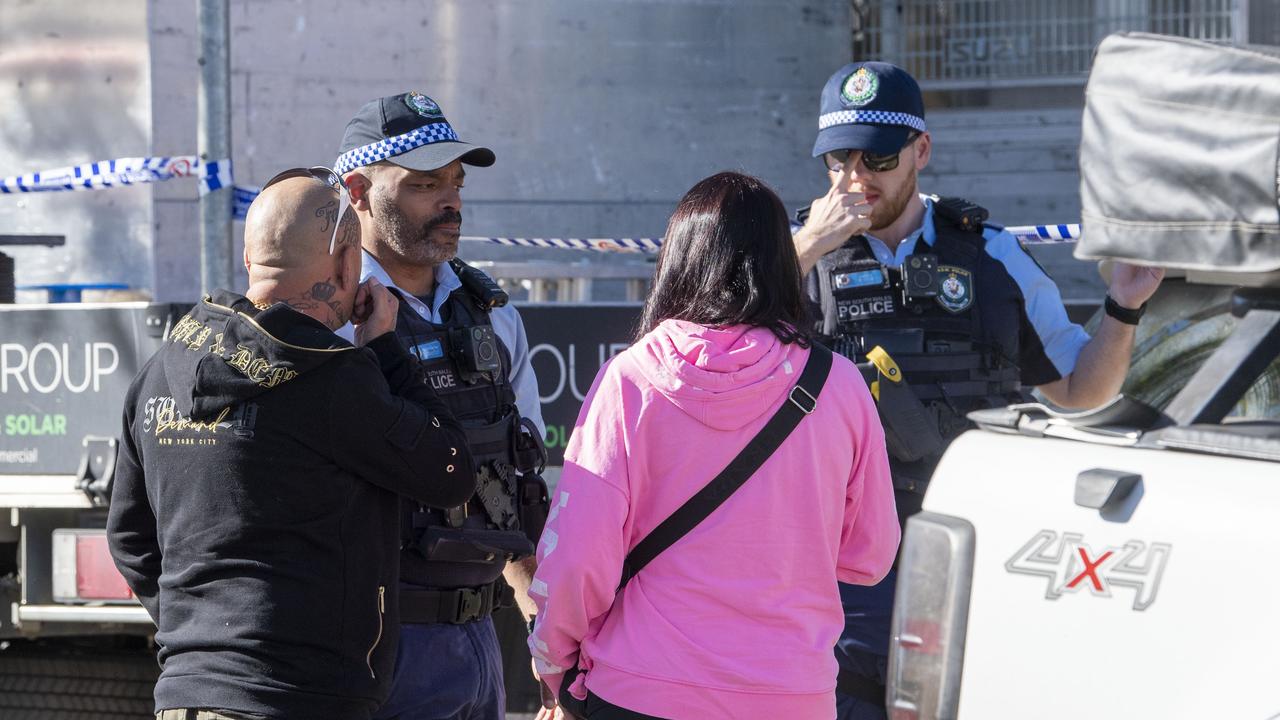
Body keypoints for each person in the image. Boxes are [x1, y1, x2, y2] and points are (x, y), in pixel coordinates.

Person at [792, 61, 1165, 718]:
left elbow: (1081, 389)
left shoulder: (990, 257)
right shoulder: (795, 259)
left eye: (876, 155)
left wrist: (1125, 304)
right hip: (839, 561)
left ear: (921, 151)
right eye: (838, 159)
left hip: (970, 546)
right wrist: (806, 246)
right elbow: (704, 335)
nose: (855, 177)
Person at [526, 171, 901, 720]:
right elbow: (870, 556)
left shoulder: (630, 380)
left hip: (640, 690)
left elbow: (578, 557)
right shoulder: (839, 385)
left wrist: (552, 660)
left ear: (677, 260)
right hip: (792, 695)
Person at [106, 169, 476, 720]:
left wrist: (200, 635)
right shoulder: (333, 379)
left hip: (187, 692)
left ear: (251, 260)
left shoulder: (160, 373)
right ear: (349, 262)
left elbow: (130, 537)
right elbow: (450, 471)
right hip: (302, 695)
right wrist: (388, 350)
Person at [335, 92, 551, 720]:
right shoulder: (327, 318)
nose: (451, 200)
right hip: (374, 648)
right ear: (358, 190)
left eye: (455, 182)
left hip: (480, 641)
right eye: (426, 184)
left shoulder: (494, 315)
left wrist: (549, 641)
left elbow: (514, 490)